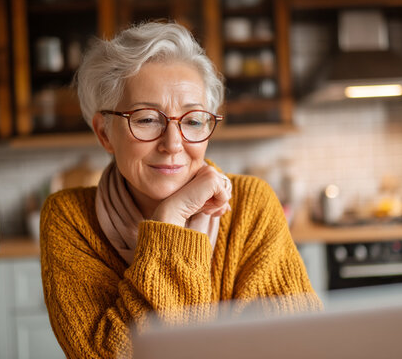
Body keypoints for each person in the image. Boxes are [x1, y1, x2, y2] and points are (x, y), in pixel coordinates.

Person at [40, 21, 321, 359]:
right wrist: (170, 220)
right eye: (146, 119)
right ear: (104, 133)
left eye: (192, 120)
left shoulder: (251, 205)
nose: (173, 144)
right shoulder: (70, 219)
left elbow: (299, 347)